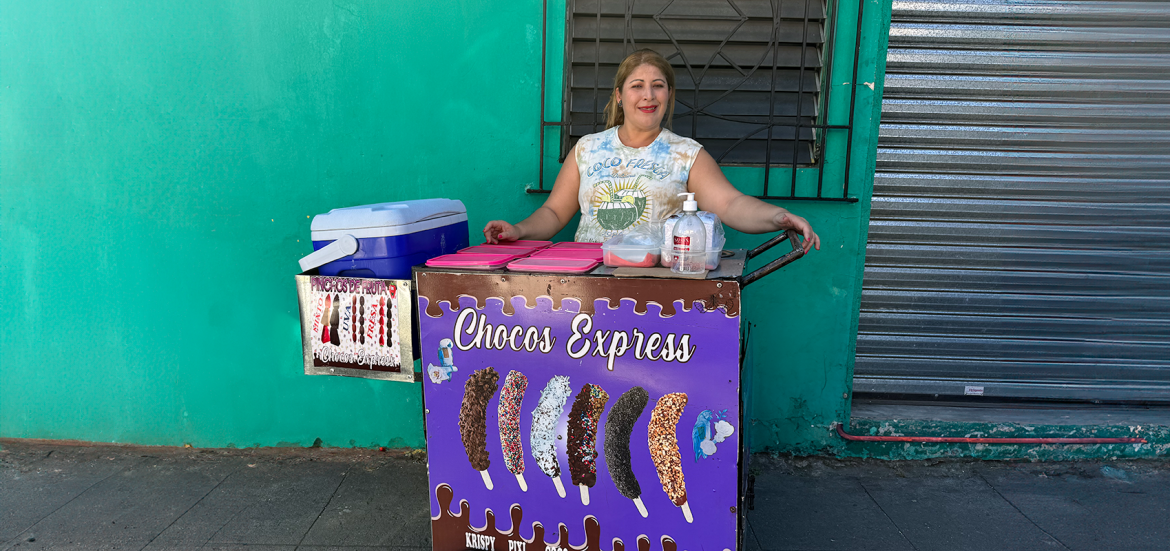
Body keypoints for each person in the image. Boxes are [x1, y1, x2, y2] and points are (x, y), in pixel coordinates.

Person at [484, 49, 820, 253]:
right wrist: (519, 230)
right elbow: (554, 213)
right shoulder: (587, 148)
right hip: (586, 278)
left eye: (658, 86)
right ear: (619, 95)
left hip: (654, 285)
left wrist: (778, 217)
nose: (649, 95)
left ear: (668, 95)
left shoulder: (685, 154)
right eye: (637, 86)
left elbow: (731, 204)